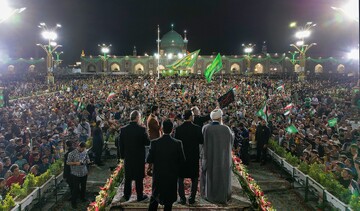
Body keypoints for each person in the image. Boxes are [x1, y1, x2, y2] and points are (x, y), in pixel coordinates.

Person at [147, 119, 185, 211]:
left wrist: (150, 168)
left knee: (154, 198)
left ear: (162, 129)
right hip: (171, 176)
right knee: (168, 202)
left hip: (158, 175)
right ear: (172, 129)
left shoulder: (154, 143)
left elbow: (149, 159)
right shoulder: (177, 143)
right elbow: (182, 160)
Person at [201, 108, 234, 204]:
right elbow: (231, 142)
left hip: (209, 157)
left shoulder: (205, 128)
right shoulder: (226, 129)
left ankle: (209, 195)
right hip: (222, 159)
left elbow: (202, 144)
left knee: (210, 177)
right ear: (220, 118)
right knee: (222, 177)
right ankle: (222, 196)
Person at [119, 110, 150, 202]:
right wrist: (146, 133)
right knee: (138, 177)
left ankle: (126, 195)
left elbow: (121, 145)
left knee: (128, 177)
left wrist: (122, 156)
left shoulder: (123, 129)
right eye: (139, 117)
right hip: (139, 157)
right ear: (137, 118)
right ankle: (139, 196)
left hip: (128, 157)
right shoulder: (142, 129)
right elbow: (147, 142)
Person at [174, 110, 203, 205]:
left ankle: (182, 199)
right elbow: (201, 141)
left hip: (181, 157)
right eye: (193, 115)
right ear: (190, 117)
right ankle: (192, 198)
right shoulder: (197, 128)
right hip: (193, 157)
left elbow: (176, 143)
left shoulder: (178, 129)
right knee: (194, 178)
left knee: (180, 178)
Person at [67, 142, 90, 209]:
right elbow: (68, 162)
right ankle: (73, 202)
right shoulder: (72, 153)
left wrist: (88, 161)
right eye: (82, 148)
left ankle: (82, 198)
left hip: (84, 173)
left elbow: (88, 159)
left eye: (84, 149)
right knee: (75, 188)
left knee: (83, 187)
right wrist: (76, 163)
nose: (83, 150)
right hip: (75, 173)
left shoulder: (85, 152)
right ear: (79, 147)